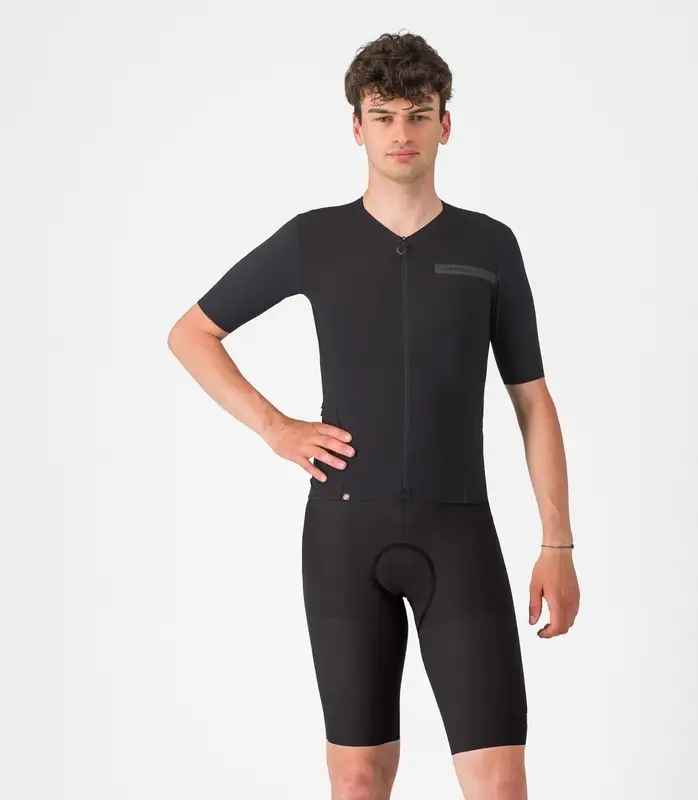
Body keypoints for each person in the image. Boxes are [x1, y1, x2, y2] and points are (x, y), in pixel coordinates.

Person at [168, 30, 580, 800]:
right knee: (357, 780)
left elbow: (533, 400)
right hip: (342, 538)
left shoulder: (490, 246)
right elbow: (191, 334)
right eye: (383, 115)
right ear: (357, 127)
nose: (401, 132)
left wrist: (557, 543)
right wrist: (275, 427)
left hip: (458, 535)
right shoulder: (314, 240)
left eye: (418, 114)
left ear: (445, 124)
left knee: (499, 785)